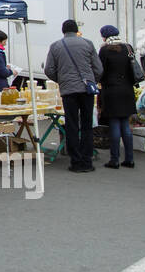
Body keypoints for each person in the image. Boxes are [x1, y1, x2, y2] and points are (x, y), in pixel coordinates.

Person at [43, 19, 103, 173]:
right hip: (86, 90)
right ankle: (87, 160)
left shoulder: (56, 46)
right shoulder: (88, 43)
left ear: (63, 31)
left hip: (68, 91)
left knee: (71, 124)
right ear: (77, 30)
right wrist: (91, 80)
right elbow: (98, 68)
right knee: (87, 124)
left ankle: (75, 161)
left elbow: (49, 70)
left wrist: (61, 80)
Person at [97, 25, 141, 169]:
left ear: (105, 36)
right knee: (126, 126)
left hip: (111, 91)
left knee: (114, 125)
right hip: (127, 90)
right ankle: (129, 159)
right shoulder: (128, 48)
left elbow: (100, 71)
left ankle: (114, 159)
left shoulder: (104, 50)